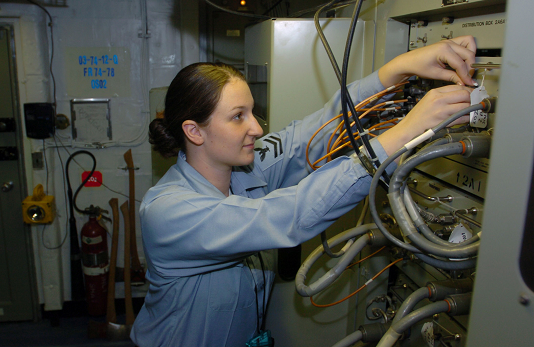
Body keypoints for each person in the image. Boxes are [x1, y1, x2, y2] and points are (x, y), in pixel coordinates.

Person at [130, 36, 477, 347]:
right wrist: (403, 133)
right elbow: (289, 215)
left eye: (252, 111)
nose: (256, 127)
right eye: (238, 116)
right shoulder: (169, 212)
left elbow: (309, 136)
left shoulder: (243, 171)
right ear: (194, 131)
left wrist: (395, 71)